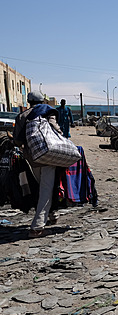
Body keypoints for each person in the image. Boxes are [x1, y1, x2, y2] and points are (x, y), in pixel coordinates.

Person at [13, 91, 61, 238]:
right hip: (48, 156)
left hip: (32, 159)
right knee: (46, 189)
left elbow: (17, 141)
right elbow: (57, 130)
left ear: (29, 101)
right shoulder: (48, 112)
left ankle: (51, 214)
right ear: (42, 101)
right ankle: (37, 227)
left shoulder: (22, 116)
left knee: (43, 187)